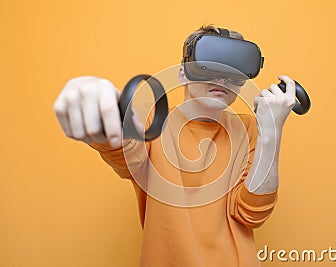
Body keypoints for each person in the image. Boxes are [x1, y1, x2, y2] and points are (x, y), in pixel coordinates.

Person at [54, 25, 296, 267]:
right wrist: (97, 108)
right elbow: (121, 148)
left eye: (234, 70)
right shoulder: (152, 121)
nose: (222, 79)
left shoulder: (250, 129)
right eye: (209, 65)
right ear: (182, 73)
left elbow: (251, 213)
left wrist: (271, 131)